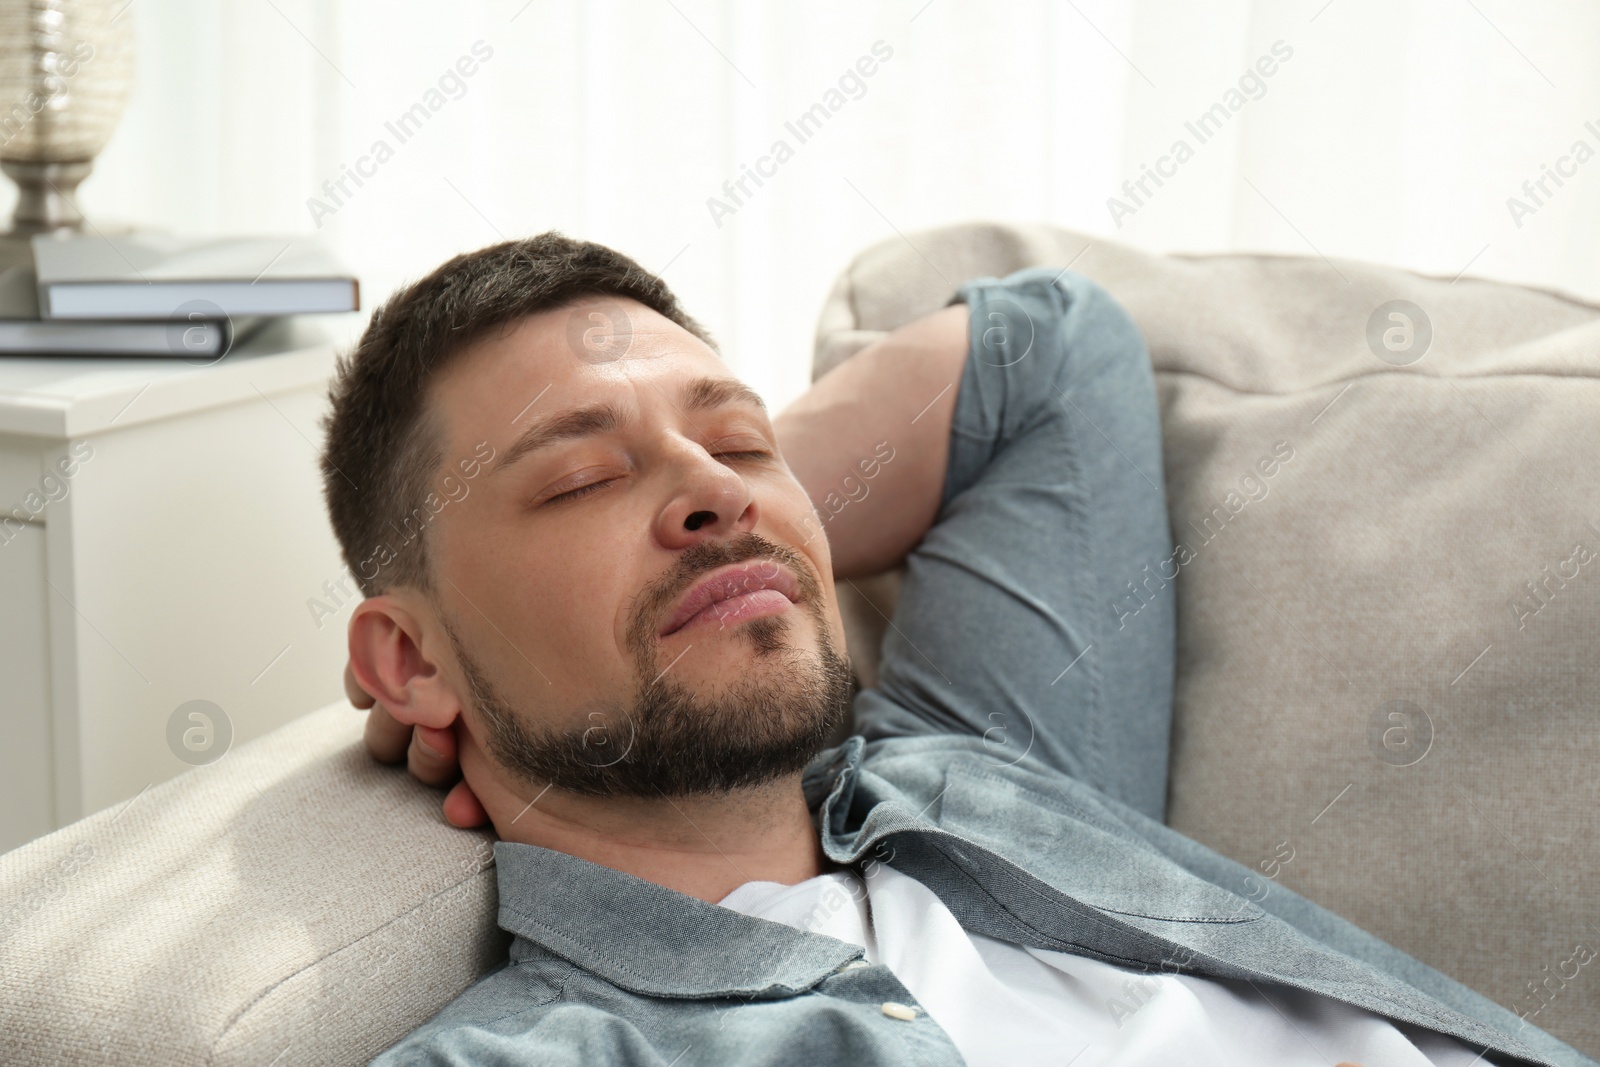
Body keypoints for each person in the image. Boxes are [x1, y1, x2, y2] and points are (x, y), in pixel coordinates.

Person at [326, 233, 1589, 1066]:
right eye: (579, 477)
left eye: (742, 442)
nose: (716, 488)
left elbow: (1041, 350)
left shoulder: (971, 772)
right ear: (403, 663)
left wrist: (708, 537)